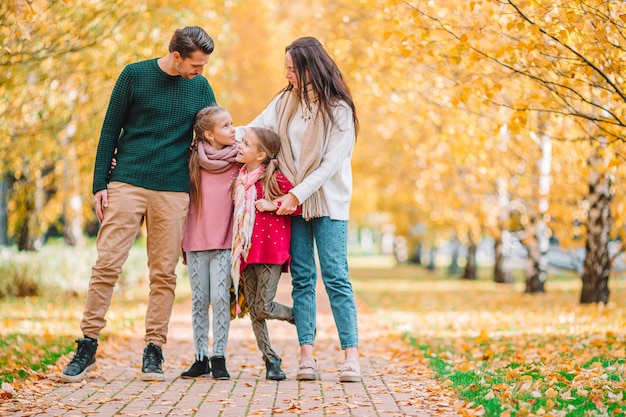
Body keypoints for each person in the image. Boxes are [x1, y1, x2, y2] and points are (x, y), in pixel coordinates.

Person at [60, 26, 217, 383]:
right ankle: (87, 345)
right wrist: (100, 183)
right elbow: (109, 129)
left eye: (205, 65)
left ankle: (154, 351)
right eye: (196, 65)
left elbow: (215, 131)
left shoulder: (201, 88)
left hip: (173, 190)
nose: (201, 72)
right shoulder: (135, 75)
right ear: (176, 57)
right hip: (127, 181)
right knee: (107, 265)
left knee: (163, 274)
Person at [236, 37, 361, 382]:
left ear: (311, 67)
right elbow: (252, 131)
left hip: (327, 202)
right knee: (303, 278)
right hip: (289, 203)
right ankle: (307, 355)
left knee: (336, 277)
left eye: (293, 68)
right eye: (286, 68)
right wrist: (210, 132)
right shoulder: (283, 103)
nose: (287, 73)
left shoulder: (339, 110)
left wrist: (298, 195)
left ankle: (350, 356)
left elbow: (330, 164)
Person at [231, 127, 298, 381]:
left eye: (246, 144)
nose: (240, 146)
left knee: (264, 306)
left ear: (260, 155)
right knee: (255, 310)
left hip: (270, 251)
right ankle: (270, 359)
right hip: (245, 251)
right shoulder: (238, 180)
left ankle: (296, 316)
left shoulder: (273, 178)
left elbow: (297, 203)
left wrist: (274, 204)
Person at [180, 106, 240, 380]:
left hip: (224, 241)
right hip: (195, 239)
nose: (233, 129)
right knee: (199, 299)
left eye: (231, 123)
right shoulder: (192, 158)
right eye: (225, 126)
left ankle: (219, 356)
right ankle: (200, 357)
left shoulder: (238, 159)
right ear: (209, 134)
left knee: (219, 297)